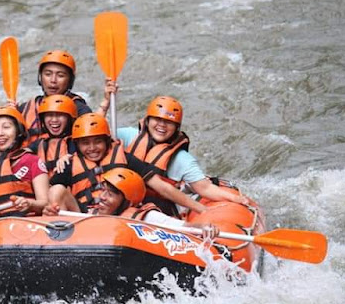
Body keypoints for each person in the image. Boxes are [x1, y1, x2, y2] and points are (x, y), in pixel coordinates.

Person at [46, 113, 204, 214]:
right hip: (84, 217)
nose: (92, 148)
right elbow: (51, 195)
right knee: (57, 189)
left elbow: (162, 188)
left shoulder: (125, 158)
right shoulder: (68, 164)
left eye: (98, 142)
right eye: (85, 143)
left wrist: (200, 209)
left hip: (120, 216)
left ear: (107, 141)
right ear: (77, 146)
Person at [117, 95, 250, 216]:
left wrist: (236, 199)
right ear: (147, 120)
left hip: (157, 207)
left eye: (168, 122)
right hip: (119, 197)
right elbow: (99, 135)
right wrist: (104, 104)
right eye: (157, 119)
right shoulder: (128, 136)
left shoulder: (182, 160)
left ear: (176, 128)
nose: (162, 125)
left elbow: (205, 188)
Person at [45, 168, 219, 241]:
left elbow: (182, 227)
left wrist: (203, 228)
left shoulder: (146, 216)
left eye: (111, 194)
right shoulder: (91, 213)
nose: (103, 198)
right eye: (103, 191)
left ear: (127, 201)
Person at [15, 49, 117, 146]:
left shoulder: (78, 108)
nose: (53, 80)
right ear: (40, 77)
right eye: (48, 74)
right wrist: (10, 116)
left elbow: (92, 129)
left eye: (60, 75)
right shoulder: (25, 108)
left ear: (70, 80)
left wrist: (106, 102)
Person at [28, 94, 78, 175]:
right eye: (49, 115)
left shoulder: (77, 142)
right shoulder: (40, 142)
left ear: (70, 119)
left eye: (60, 115)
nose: (54, 120)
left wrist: (73, 157)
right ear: (43, 120)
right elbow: (21, 154)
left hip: (66, 185)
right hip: (43, 185)